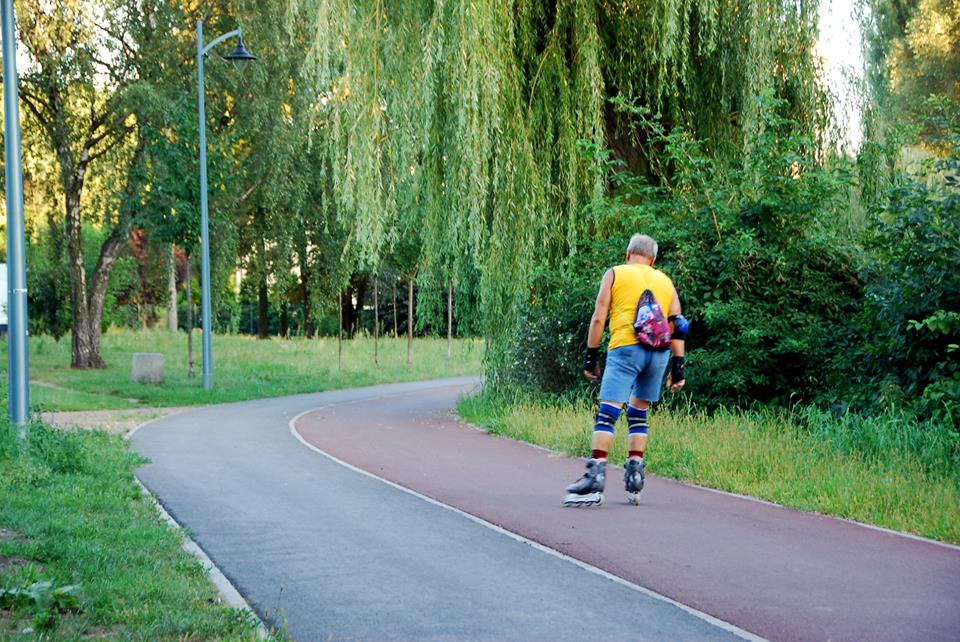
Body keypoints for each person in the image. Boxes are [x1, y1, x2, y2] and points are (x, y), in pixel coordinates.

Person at [563, 233, 687, 507]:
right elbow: (678, 326)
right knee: (638, 412)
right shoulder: (665, 282)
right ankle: (634, 478)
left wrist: (590, 356)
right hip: (658, 354)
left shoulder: (616, 274)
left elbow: (599, 316)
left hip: (625, 349)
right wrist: (678, 368)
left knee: (607, 413)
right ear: (653, 260)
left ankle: (594, 481)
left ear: (627, 253)